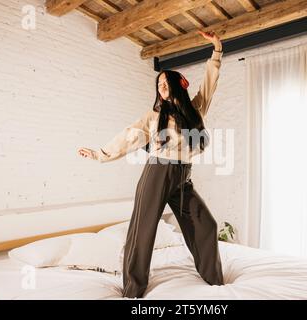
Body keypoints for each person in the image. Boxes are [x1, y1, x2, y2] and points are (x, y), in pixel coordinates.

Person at [78, 30, 224, 298]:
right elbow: (129, 135)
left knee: (207, 224)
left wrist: (216, 50)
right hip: (157, 173)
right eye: (158, 85)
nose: (161, 88)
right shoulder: (154, 116)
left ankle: (213, 279)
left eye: (166, 83)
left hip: (182, 177)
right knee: (143, 231)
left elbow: (209, 83)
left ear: (178, 85)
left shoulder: (195, 110)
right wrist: (101, 154)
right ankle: (133, 290)